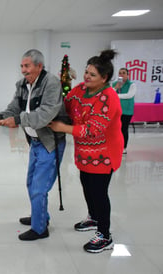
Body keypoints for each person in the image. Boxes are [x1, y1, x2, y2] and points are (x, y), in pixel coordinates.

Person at [48, 49, 124, 253]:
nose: (86, 77)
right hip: (84, 153)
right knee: (87, 187)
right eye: (86, 72)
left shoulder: (109, 97)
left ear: (104, 78)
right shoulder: (81, 89)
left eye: (92, 75)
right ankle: (94, 217)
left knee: (99, 193)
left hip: (104, 154)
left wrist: (62, 128)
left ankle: (105, 235)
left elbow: (93, 129)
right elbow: (66, 104)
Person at [0, 49, 67, 241]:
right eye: (22, 66)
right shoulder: (23, 85)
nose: (23, 70)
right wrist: (1, 116)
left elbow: (45, 114)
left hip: (50, 143)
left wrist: (17, 119)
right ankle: (40, 216)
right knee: (31, 183)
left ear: (39, 66)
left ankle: (40, 229)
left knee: (39, 188)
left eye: (27, 66)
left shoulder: (51, 83)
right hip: (34, 142)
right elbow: (15, 107)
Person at [112, 68, 136, 154]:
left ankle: (123, 147)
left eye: (123, 73)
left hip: (127, 111)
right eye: (120, 73)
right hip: (116, 111)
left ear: (127, 75)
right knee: (115, 129)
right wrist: (116, 88)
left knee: (123, 129)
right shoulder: (115, 84)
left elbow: (129, 95)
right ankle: (116, 146)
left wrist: (116, 95)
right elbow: (110, 94)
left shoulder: (132, 84)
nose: (121, 75)